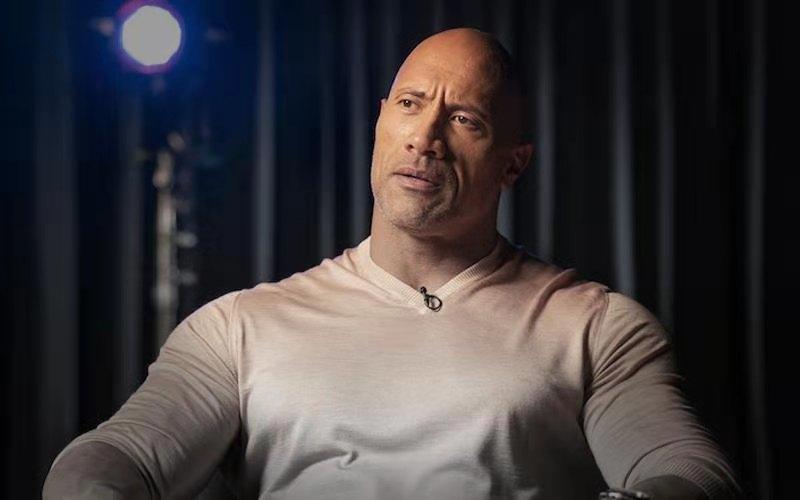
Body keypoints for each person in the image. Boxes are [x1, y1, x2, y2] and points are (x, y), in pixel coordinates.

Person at [43, 28, 742, 499]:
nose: (425, 137)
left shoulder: (596, 327)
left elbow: (686, 469)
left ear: (514, 164)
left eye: (465, 119)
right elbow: (118, 457)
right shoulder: (237, 328)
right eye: (411, 105)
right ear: (382, 120)